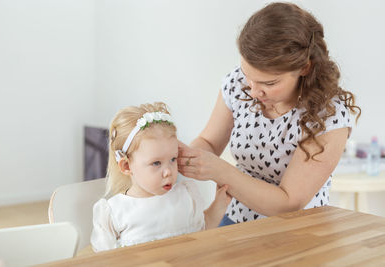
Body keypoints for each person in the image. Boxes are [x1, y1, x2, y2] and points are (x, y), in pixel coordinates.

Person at [177, 2, 361, 226]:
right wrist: (178, 157)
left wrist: (221, 172)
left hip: (301, 230)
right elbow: (208, 142)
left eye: (269, 83)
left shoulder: (329, 116)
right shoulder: (238, 83)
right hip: (237, 218)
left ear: (304, 68)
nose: (253, 91)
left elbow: (288, 203)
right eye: (248, 76)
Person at [91, 102, 230, 251]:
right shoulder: (115, 211)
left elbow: (201, 231)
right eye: (156, 163)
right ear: (126, 166)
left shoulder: (187, 195)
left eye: (173, 159)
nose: (168, 171)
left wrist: (219, 206)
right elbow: (106, 260)